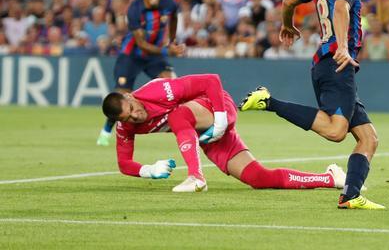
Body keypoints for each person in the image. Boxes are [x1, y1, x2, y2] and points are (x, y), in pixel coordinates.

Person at [240, 0, 384, 209]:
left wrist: (286, 23)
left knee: (368, 138)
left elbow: (288, 0)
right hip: (335, 63)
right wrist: (342, 45)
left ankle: (351, 196)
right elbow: (341, 8)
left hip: (329, 64)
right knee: (336, 131)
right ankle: (269, 102)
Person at [101, 74, 346, 193]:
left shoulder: (156, 90)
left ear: (130, 96)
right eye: (127, 118)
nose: (135, 116)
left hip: (216, 106)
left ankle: (196, 177)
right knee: (258, 178)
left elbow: (211, 81)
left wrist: (220, 118)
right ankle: (330, 178)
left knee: (177, 116)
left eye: (132, 109)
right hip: (203, 131)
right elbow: (123, 163)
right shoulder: (126, 126)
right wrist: (148, 170)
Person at [96, 0, 185, 146]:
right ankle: (106, 130)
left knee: (172, 83)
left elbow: (173, 18)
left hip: (155, 55)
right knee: (122, 93)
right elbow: (142, 44)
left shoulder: (169, 4)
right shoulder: (135, 9)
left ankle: (180, 124)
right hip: (131, 55)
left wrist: (172, 40)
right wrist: (168, 50)